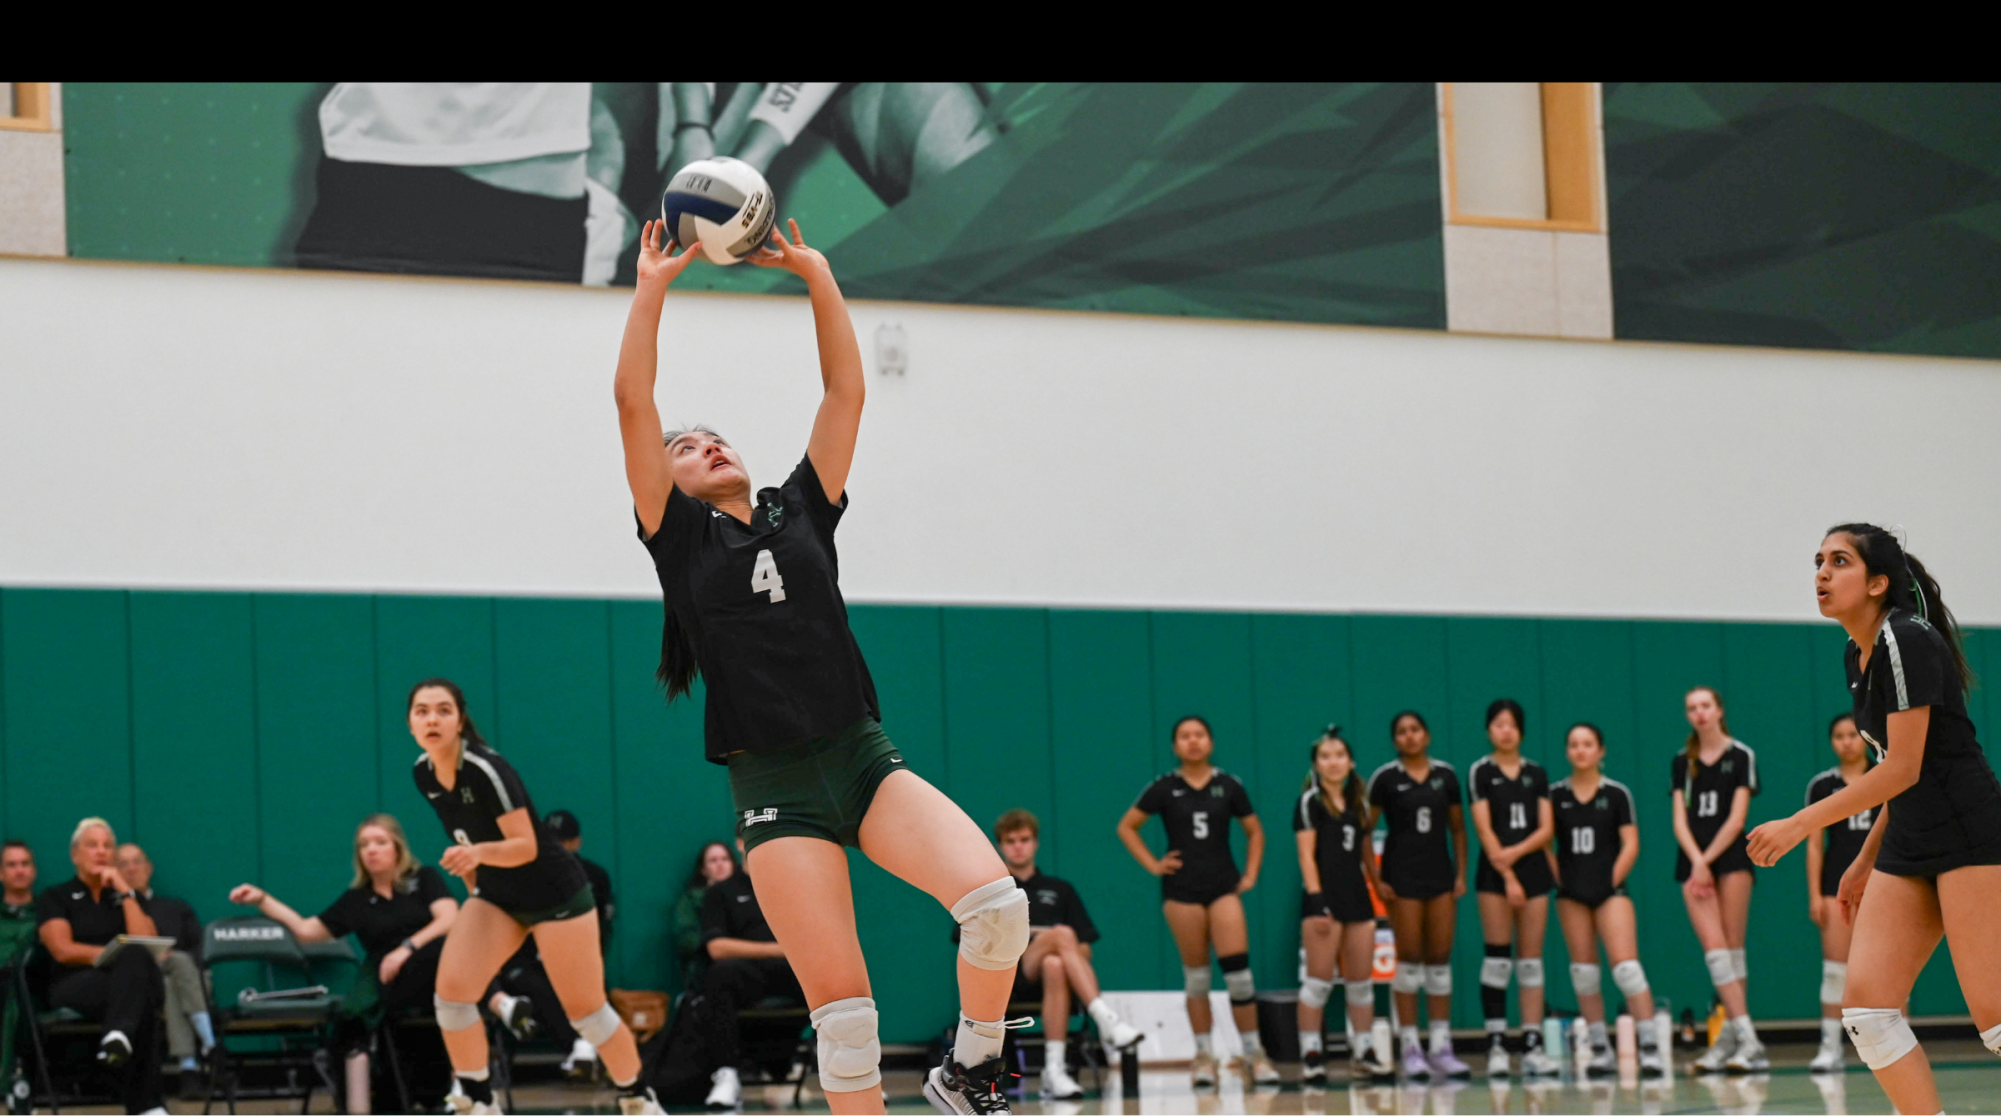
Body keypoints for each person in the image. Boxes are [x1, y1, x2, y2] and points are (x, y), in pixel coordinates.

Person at [617, 218, 1032, 1115]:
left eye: (714, 437)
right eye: (687, 449)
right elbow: (632, 404)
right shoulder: (680, 542)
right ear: (667, 481)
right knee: (846, 1024)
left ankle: (972, 1069)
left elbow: (846, 389)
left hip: (861, 759)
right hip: (774, 789)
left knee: (999, 907)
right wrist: (652, 285)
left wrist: (817, 274)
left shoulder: (801, 509)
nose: (707, 446)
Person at [1747, 524, 2001, 1116]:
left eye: (1839, 562)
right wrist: (1864, 860)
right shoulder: (1856, 652)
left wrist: (1799, 824)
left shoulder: (1905, 638)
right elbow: (1895, 767)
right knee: (1867, 1012)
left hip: (1969, 833)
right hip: (1910, 840)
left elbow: (1905, 768)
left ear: (1878, 582)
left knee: (1994, 1020)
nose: (1822, 574)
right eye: (1818, 562)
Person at [400, 679, 661, 1115]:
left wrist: (476, 855)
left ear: (460, 720)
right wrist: (476, 885)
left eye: (443, 710)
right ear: (409, 722)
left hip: (555, 894)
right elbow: (466, 836)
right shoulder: (423, 773)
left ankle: (637, 1094)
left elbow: (526, 846)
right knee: (452, 995)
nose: (432, 719)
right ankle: (479, 1100)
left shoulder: (486, 768)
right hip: (498, 895)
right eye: (422, 711)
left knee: (586, 1012)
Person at [229, 813, 459, 1114]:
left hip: (439, 971)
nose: (371, 850)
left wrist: (406, 947)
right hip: (393, 982)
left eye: (380, 842)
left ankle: (468, 1074)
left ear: (397, 848)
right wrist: (262, 899)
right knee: (352, 1023)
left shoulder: (424, 878)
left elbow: (450, 917)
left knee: (447, 952)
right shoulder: (356, 900)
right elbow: (307, 930)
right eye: (364, 845)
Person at [1117, 716, 1277, 1088]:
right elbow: (1127, 826)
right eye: (1185, 737)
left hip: (1223, 888)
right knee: (1198, 978)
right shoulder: (1165, 788)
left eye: (1199, 735)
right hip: (1182, 892)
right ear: (1175, 746)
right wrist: (1154, 864)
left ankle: (1254, 1053)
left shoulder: (1228, 785)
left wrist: (1250, 875)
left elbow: (1255, 832)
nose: (1193, 742)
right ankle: (1204, 1056)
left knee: (1239, 976)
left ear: (1211, 741)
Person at [989, 809, 1142, 1100]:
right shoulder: (993, 890)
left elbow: (1085, 948)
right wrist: (1048, 937)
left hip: (1051, 978)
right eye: (1010, 841)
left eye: (1024, 839)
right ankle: (1105, 1018)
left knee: (1055, 962)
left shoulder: (1060, 889)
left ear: (1035, 843)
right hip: (1009, 977)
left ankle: (1054, 1070)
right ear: (1000, 845)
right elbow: (969, 942)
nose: (1018, 846)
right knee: (1061, 934)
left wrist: (1056, 942)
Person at [1550, 723, 1666, 1078]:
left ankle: (1649, 1047)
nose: (1580, 750)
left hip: (1609, 890)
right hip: (1571, 892)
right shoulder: (1555, 795)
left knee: (1626, 968)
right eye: (1574, 745)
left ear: (1601, 751)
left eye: (1588, 744)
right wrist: (1562, 880)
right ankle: (1599, 1048)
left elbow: (1631, 843)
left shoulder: (1616, 794)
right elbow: (1544, 843)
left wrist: (1609, 881)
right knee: (1583, 972)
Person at [36, 818, 166, 1115]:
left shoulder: (122, 897)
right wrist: (112, 954)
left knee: (135, 959)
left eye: (108, 846)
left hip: (124, 986)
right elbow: (62, 950)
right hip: (76, 983)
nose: (101, 851)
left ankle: (117, 1037)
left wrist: (124, 890)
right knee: (138, 991)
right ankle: (148, 1106)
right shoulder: (56, 897)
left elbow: (147, 941)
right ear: (74, 855)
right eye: (92, 845)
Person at [1366, 711, 1470, 1080]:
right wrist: (1376, 878)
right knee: (1409, 957)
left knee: (1439, 958)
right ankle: (1410, 1045)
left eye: (1415, 730)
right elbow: (1364, 830)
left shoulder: (1446, 776)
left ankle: (1441, 1045)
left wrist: (1460, 873)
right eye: (1402, 732)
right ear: (1395, 740)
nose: (1409, 737)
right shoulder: (1385, 778)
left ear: (1427, 735)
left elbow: (1458, 829)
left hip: (1440, 875)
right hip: (1401, 877)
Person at [1669, 685, 1766, 1072]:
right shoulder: (1682, 761)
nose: (1699, 713)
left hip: (1729, 859)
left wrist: (1708, 860)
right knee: (1715, 951)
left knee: (1733, 950)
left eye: (1706, 705)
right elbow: (1679, 819)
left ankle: (1730, 1040)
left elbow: (1738, 818)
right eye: (1692, 707)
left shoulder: (1741, 755)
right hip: (1693, 861)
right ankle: (1748, 1039)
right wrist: (1697, 861)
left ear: (1719, 709)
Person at [1465, 699, 1558, 1078]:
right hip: (1494, 876)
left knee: (1531, 962)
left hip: (1533, 871)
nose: (1505, 730)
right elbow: (1484, 829)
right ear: (1489, 730)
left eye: (1512, 724)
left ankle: (1532, 1044)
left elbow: (1546, 828)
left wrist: (1517, 854)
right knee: (1498, 959)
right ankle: (1497, 1043)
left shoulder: (1536, 773)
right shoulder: (1480, 772)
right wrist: (1507, 875)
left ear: (1521, 730)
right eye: (1498, 724)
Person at [1292, 729, 1391, 1083]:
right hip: (1324, 899)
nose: (1333, 762)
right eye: (1325, 756)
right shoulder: (1310, 803)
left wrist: (1378, 885)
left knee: (1360, 983)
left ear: (1350, 762)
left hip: (1357, 900)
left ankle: (1363, 1051)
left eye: (1339, 755)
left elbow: (1364, 852)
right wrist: (1317, 901)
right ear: (1316, 765)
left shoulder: (1360, 804)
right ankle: (1311, 1054)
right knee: (1318, 983)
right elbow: (1305, 855)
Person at [692, 846, 803, 1109]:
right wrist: (775, 949)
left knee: (836, 971)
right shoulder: (721, 892)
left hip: (792, 971)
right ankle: (727, 1074)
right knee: (720, 975)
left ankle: (857, 1072)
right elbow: (717, 947)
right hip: (747, 973)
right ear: (740, 844)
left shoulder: (793, 886)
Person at [1801, 713, 1875, 1073]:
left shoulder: (1884, 776)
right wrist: (1815, 895)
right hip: (1836, 888)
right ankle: (1830, 1046)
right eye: (1839, 736)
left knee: (1886, 969)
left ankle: (1899, 1039)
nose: (1847, 742)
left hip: (1880, 887)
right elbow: (1815, 844)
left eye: (1852, 734)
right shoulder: (1822, 786)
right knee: (1835, 970)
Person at [114, 843, 213, 1095]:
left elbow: (200, 948)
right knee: (166, 980)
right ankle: (210, 1045)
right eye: (123, 864)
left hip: (186, 980)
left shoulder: (176, 907)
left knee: (178, 970)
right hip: (145, 981)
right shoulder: (113, 911)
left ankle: (189, 1068)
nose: (132, 869)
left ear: (149, 867)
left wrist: (174, 958)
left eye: (137, 862)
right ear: (114, 871)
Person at [3, 840, 40, 1099]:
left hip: (34, 989)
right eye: (11, 865)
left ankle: (8, 1083)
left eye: (25, 864)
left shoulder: (48, 912)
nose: (19, 870)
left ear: (34, 871)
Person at [673, 842, 737, 991]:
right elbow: (687, 939)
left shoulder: (747, 896)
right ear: (703, 869)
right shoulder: (692, 899)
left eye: (725, 859)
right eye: (713, 861)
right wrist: (719, 947)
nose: (720, 865)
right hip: (709, 966)